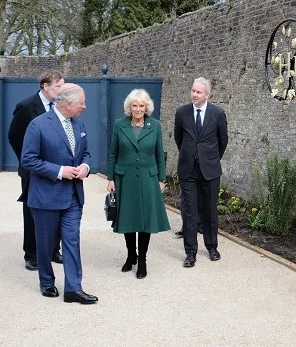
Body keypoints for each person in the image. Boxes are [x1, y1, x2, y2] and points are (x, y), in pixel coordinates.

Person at [21, 83, 97, 304]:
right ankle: (46, 282)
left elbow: (86, 153)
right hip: (46, 197)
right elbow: (28, 159)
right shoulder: (38, 125)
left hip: (73, 196)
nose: (85, 106)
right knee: (44, 244)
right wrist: (60, 171)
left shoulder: (79, 124)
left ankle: (73, 288)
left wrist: (86, 166)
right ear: (67, 104)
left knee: (72, 240)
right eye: (81, 102)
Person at [107, 89, 170, 279]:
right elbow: (113, 153)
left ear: (147, 108)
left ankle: (142, 259)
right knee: (128, 218)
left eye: (141, 105)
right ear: (129, 107)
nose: (138, 109)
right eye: (134, 105)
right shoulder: (120, 125)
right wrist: (110, 178)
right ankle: (130, 255)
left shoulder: (155, 125)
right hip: (124, 178)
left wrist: (161, 179)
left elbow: (160, 154)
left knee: (144, 221)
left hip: (148, 178)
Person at [8, 70, 64, 271]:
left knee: (57, 208)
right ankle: (31, 254)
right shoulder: (26, 106)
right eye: (58, 86)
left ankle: (52, 250)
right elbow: (14, 136)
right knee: (33, 211)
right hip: (33, 170)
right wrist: (27, 161)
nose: (62, 90)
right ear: (45, 86)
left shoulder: (61, 105)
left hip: (57, 168)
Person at [174, 77, 228, 266]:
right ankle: (190, 253)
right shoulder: (182, 113)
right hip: (188, 170)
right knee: (190, 212)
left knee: (210, 210)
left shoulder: (218, 114)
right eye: (193, 91)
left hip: (210, 171)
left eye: (199, 92)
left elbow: (223, 141)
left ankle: (212, 247)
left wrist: (210, 159)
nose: (194, 94)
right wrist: (191, 155)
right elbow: (179, 139)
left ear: (207, 95)